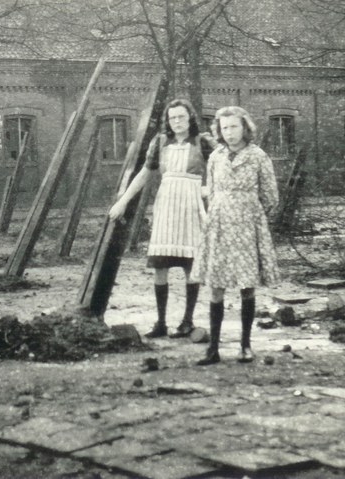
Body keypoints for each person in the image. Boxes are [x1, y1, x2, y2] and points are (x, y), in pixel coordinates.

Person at [109, 99, 214, 339]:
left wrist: (210, 190)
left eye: (181, 117)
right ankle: (161, 323)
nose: (176, 122)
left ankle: (187, 322)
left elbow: (220, 166)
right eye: (172, 118)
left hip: (191, 206)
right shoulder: (160, 142)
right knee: (160, 266)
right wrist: (123, 201)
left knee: (191, 266)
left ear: (190, 119)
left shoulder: (202, 142)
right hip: (167, 206)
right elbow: (145, 174)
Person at [193, 106, 279, 366]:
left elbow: (271, 197)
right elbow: (211, 190)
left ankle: (245, 346)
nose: (229, 132)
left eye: (234, 127)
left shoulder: (258, 156)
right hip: (219, 226)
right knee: (216, 287)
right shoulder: (216, 157)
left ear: (245, 128)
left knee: (246, 286)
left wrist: (248, 213)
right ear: (218, 130)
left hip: (246, 227)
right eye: (224, 127)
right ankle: (213, 349)